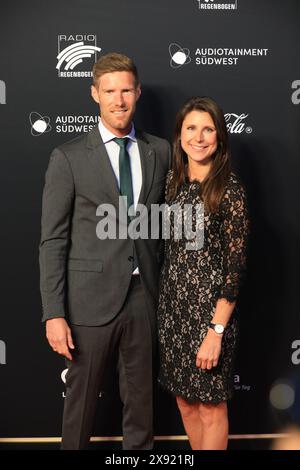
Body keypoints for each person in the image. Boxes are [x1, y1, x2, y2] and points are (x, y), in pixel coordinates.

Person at [39, 52, 171, 450]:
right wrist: (54, 313)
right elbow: (53, 240)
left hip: (143, 297)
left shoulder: (160, 151)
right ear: (95, 93)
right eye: (110, 91)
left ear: (138, 92)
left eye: (126, 90)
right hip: (87, 302)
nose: (119, 100)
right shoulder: (69, 157)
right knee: (79, 408)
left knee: (141, 408)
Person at [157, 96, 249, 450]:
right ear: (179, 135)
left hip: (210, 316)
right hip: (173, 314)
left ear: (220, 137)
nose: (199, 137)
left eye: (208, 129)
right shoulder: (171, 183)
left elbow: (235, 269)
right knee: (185, 401)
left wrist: (216, 331)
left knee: (211, 407)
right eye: (191, 128)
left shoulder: (230, 190)